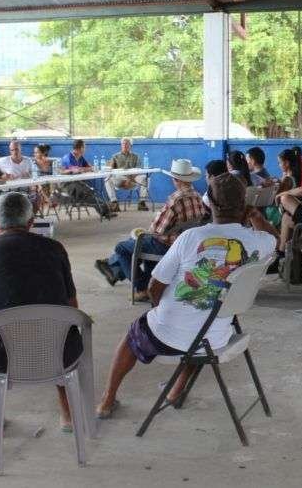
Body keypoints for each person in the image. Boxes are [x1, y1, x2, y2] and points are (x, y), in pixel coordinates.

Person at [95, 173, 276, 419]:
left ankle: (107, 400)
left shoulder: (191, 237)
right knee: (201, 322)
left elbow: (153, 288)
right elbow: (275, 237)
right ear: (245, 203)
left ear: (208, 202)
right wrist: (255, 216)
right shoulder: (260, 242)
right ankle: (175, 391)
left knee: (134, 333)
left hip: (177, 335)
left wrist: (160, 309)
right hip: (216, 336)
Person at [0, 192, 81, 434]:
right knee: (60, 326)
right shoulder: (55, 249)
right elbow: (73, 306)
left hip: (5, 356)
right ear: (31, 223)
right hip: (60, 352)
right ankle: (68, 414)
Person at [96, 159, 207, 301]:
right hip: (184, 243)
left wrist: (143, 232)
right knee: (135, 242)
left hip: (165, 245)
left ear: (175, 179)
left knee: (122, 248)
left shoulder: (175, 199)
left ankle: (140, 287)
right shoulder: (198, 197)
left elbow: (157, 230)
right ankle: (116, 270)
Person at [57, 139, 111, 219]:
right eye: (84, 147)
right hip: (67, 185)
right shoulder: (68, 157)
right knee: (89, 193)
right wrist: (86, 169)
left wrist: (86, 168)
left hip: (77, 183)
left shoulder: (80, 157)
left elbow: (90, 167)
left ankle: (105, 211)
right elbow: (76, 170)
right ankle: (105, 211)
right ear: (81, 148)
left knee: (91, 192)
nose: (85, 149)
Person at [105, 137, 149, 212]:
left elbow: (139, 170)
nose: (125, 145)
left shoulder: (136, 156)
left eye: (127, 144)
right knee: (107, 180)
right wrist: (110, 165)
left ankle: (142, 202)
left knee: (146, 178)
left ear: (130, 146)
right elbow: (110, 170)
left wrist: (130, 179)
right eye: (123, 144)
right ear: (121, 145)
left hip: (133, 179)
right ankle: (114, 203)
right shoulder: (115, 156)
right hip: (120, 179)